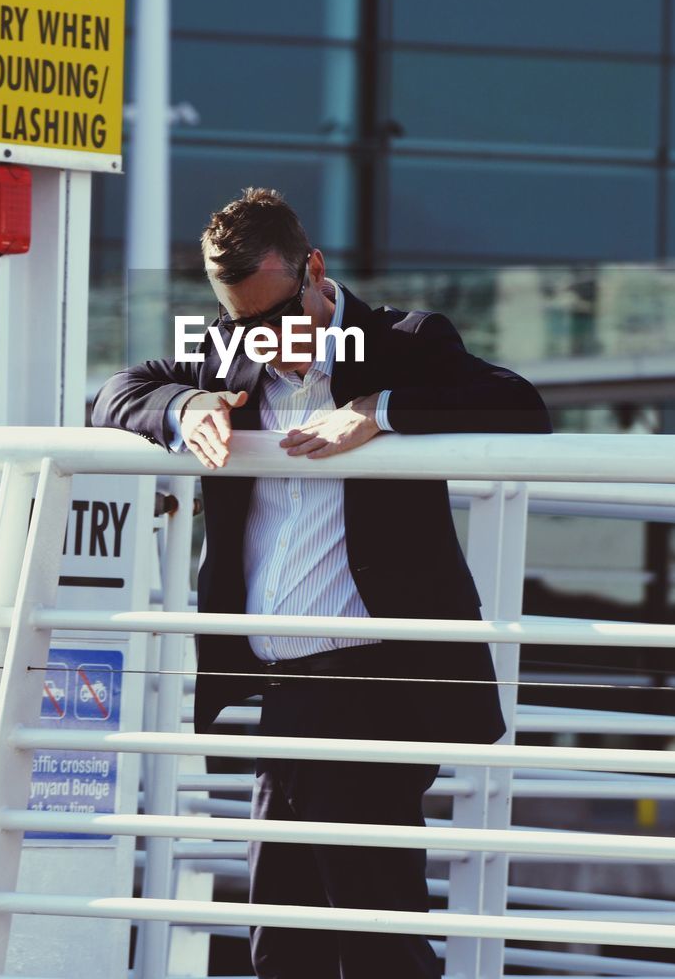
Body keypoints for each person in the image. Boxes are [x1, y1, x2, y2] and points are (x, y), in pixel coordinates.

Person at [92, 187, 551, 979]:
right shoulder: (224, 351)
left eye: (279, 317)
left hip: (380, 676)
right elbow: (115, 393)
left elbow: (519, 407)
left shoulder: (404, 340)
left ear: (314, 269)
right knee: (280, 932)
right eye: (247, 325)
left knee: (370, 927)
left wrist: (381, 410)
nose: (268, 342)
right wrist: (187, 405)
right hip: (285, 684)